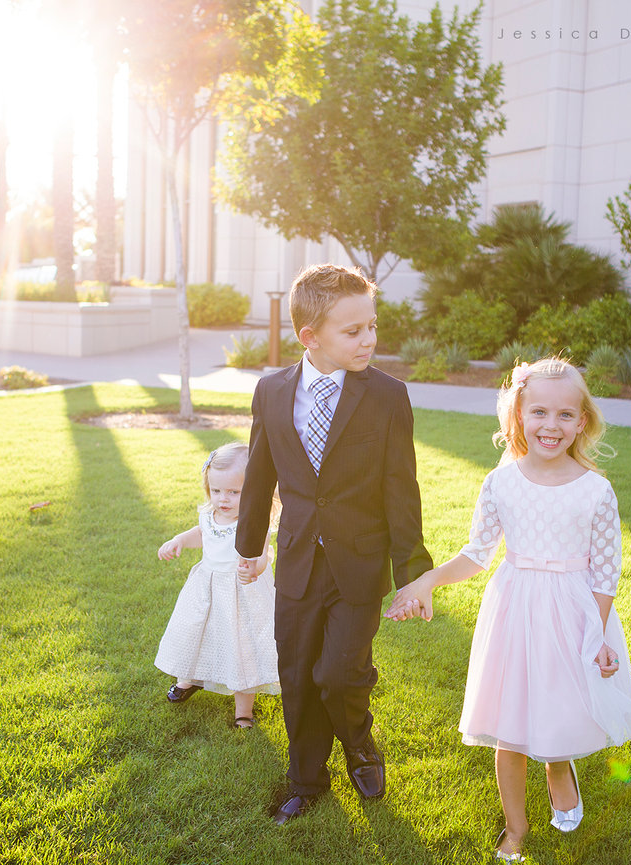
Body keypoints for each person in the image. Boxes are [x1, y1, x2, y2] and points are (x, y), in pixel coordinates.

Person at [386, 357, 631, 861]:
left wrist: (599, 635)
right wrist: (429, 579)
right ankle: (516, 828)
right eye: (539, 412)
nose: (552, 425)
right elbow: (476, 554)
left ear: (582, 421)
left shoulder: (596, 491)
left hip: (571, 612)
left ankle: (558, 766)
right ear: (519, 415)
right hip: (513, 607)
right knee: (510, 722)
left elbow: (605, 574)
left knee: (559, 705)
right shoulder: (501, 483)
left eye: (566, 415)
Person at [235, 263, 433, 825]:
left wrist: (413, 573)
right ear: (310, 337)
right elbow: (259, 472)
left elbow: (402, 486)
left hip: (359, 564)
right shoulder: (272, 391)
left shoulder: (387, 396)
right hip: (297, 561)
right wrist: (250, 544)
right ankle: (305, 780)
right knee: (298, 674)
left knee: (340, 674)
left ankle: (361, 747)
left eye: (372, 326)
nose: (369, 339)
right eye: (353, 332)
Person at [155, 442, 280, 730]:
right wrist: (178, 541)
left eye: (234, 492)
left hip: (241, 593)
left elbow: (262, 555)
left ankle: (243, 711)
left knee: (242, 647)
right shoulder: (210, 515)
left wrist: (255, 569)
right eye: (216, 491)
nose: (223, 499)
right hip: (206, 589)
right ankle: (188, 679)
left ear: (253, 492)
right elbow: (201, 533)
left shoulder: (253, 521)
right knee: (195, 633)